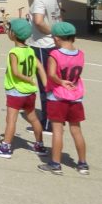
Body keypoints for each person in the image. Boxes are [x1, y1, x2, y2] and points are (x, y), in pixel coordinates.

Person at [0, 18, 48, 159]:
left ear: (13, 34)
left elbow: (15, 72)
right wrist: (44, 83)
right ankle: (39, 144)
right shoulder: (30, 50)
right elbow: (39, 67)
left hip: (16, 91)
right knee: (33, 118)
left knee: (11, 120)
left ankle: (6, 147)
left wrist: (28, 78)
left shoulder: (14, 52)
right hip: (30, 92)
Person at [39, 22, 88, 176]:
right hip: (75, 96)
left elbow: (52, 74)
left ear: (57, 38)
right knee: (77, 131)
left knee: (58, 131)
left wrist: (60, 82)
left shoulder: (55, 54)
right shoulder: (80, 54)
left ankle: (55, 164)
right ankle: (82, 163)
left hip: (57, 96)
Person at [27, 0, 68, 127]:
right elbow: (60, 19)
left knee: (45, 83)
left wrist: (51, 33)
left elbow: (38, 21)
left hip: (42, 44)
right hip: (53, 44)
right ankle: (54, 117)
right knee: (53, 80)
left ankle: (48, 122)